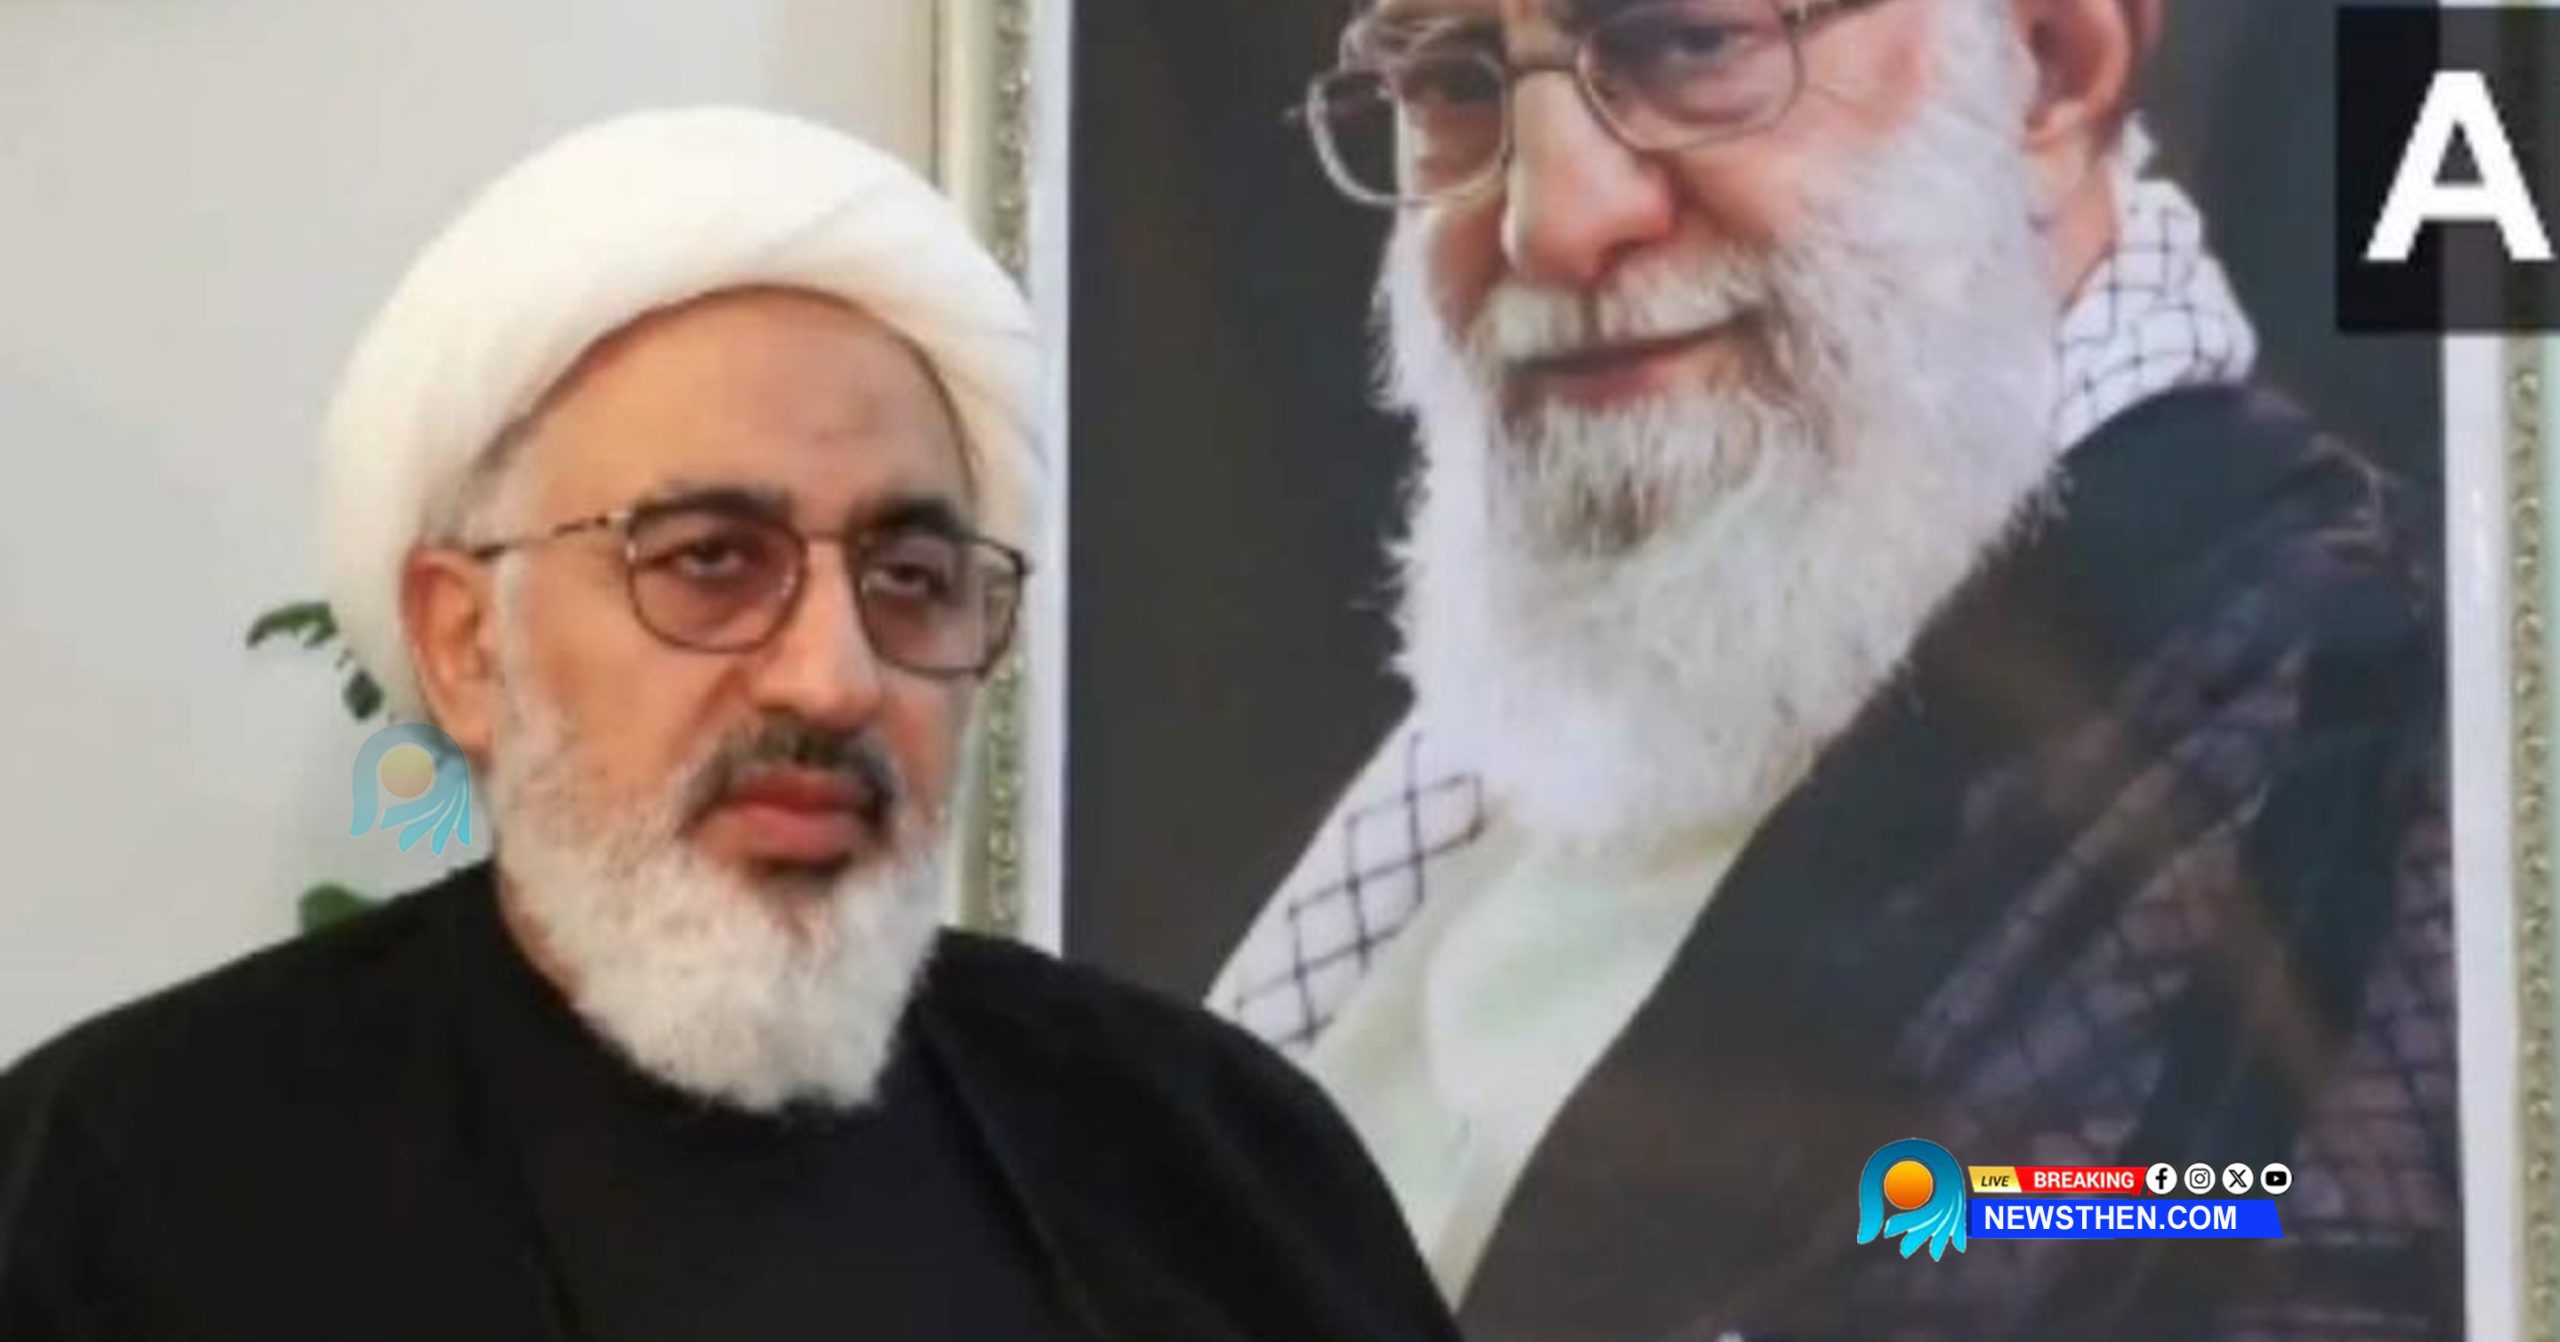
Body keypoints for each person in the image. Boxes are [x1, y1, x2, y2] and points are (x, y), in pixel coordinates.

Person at [0, 108, 1458, 1342]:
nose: (832, 679)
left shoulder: (1214, 1162)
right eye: (708, 560)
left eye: (909, 577)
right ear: (464, 643)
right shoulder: (129, 1183)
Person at [1211, 1, 2457, 1337]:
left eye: (1689, 43)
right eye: (1455, 81)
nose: (1550, 222)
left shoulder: (2355, 727)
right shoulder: (1537, 736)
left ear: (2049, 71)